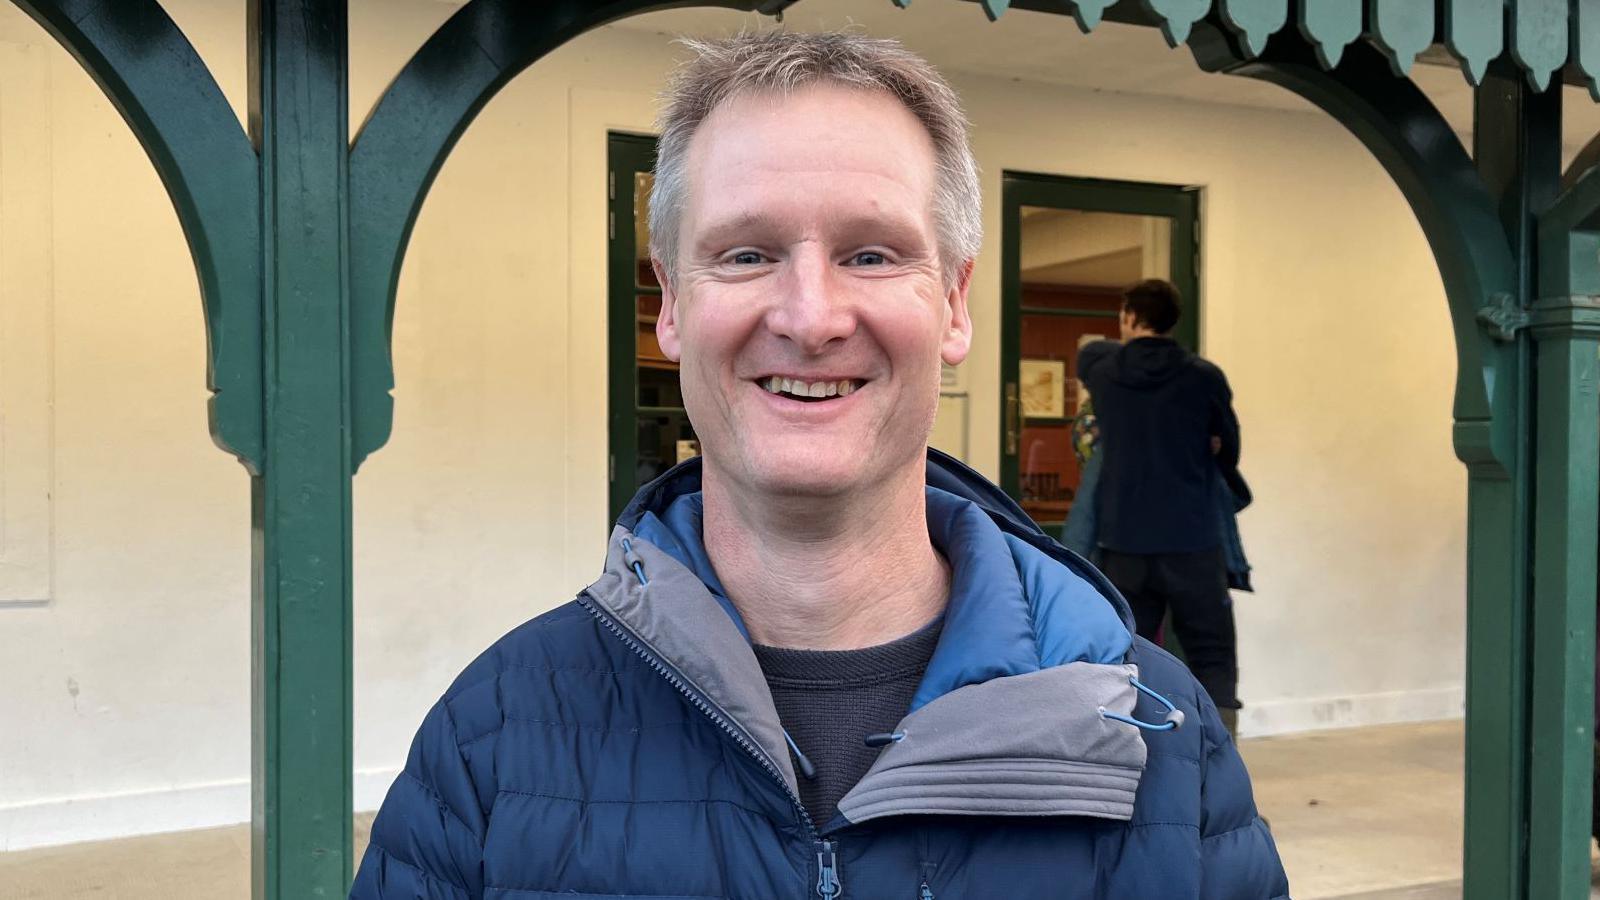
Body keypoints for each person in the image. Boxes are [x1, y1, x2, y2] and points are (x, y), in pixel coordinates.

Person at [351, 32, 1287, 899]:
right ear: (671, 304)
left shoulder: (1160, 739)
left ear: (955, 303)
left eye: (871, 253)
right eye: (747, 253)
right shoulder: (493, 739)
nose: (810, 315)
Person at [1077, 280, 1246, 734]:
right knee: (1211, 655)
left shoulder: (1105, 373)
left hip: (1124, 541)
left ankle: (1130, 760)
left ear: (1129, 317)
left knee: (1125, 656)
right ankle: (1218, 765)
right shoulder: (1204, 376)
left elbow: (1090, 353)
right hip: (1192, 540)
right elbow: (1228, 451)